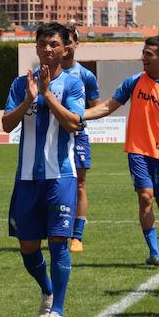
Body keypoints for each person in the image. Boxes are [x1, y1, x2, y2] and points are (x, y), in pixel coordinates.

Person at [3, 23, 84, 317]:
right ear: (36, 48)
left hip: (61, 175)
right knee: (27, 247)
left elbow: (73, 124)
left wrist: (47, 95)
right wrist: (28, 100)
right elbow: (7, 124)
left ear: (64, 49)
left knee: (59, 244)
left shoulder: (74, 84)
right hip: (26, 178)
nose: (47, 49)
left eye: (53, 44)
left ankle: (58, 310)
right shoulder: (19, 84)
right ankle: (47, 290)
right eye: (42, 44)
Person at [83, 36, 159, 266]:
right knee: (145, 197)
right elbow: (109, 106)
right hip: (138, 150)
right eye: (143, 53)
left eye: (148, 54)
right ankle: (154, 252)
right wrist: (79, 115)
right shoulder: (134, 81)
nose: (143, 58)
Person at [61, 25, 100, 253]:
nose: (66, 46)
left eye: (70, 41)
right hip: (51, 137)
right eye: (62, 41)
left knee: (80, 184)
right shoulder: (48, 72)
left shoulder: (85, 75)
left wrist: (78, 117)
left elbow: (97, 106)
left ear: (76, 44)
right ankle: (56, 229)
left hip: (77, 136)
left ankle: (77, 236)